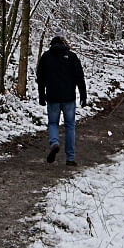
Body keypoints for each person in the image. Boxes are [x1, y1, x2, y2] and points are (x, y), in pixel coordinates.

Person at [36, 31, 87, 166]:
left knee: (53, 123)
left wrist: (41, 95)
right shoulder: (71, 56)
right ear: (64, 44)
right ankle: (70, 158)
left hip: (52, 97)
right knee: (70, 126)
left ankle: (54, 142)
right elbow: (79, 77)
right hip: (69, 97)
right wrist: (83, 95)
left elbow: (40, 79)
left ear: (52, 44)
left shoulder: (46, 57)